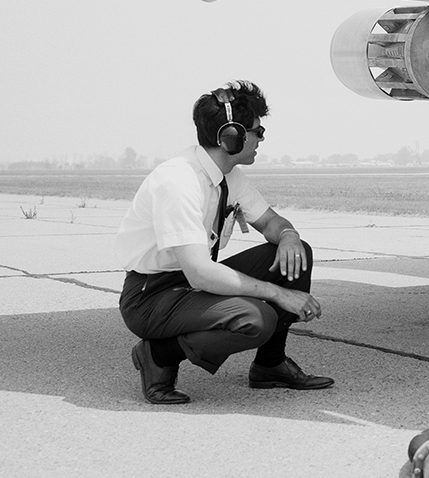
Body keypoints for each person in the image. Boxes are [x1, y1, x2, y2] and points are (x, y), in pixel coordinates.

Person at [115, 80, 333, 404]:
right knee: (257, 319)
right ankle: (158, 354)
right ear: (233, 137)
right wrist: (280, 295)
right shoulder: (178, 181)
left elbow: (271, 221)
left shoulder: (228, 176)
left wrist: (288, 236)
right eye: (258, 132)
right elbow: (201, 274)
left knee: (296, 255)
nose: (262, 139)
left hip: (188, 284)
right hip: (152, 296)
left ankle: (270, 366)